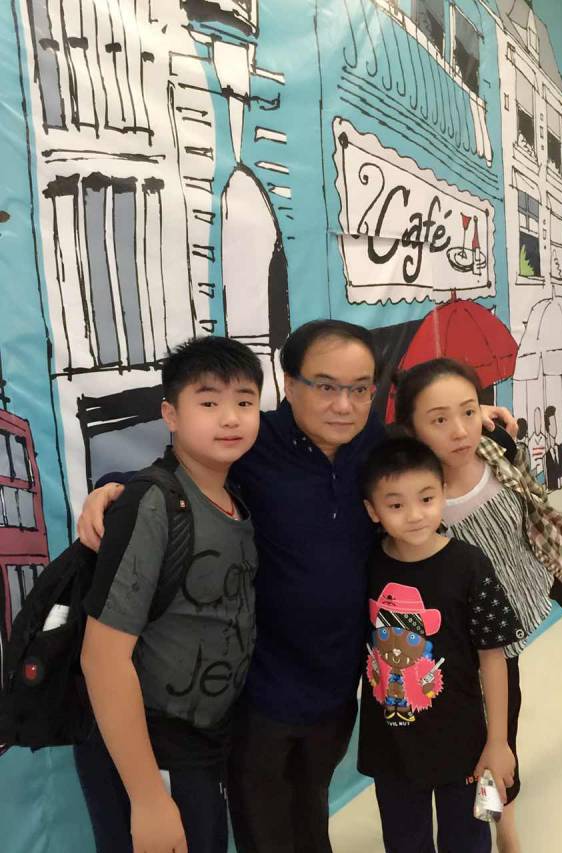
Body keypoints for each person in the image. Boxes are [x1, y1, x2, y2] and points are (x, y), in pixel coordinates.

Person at [76, 321, 519, 853]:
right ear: (289, 383)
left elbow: (439, 446)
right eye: (326, 386)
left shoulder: (375, 447)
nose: (344, 405)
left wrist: (482, 418)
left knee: (312, 822)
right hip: (260, 695)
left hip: (337, 691)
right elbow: (189, 470)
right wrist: (113, 489)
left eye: (360, 389)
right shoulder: (255, 442)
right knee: (266, 835)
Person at [394, 358, 562, 853]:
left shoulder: (493, 445)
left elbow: (522, 481)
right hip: (483, 633)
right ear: (410, 431)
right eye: (438, 420)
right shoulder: (416, 495)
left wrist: (481, 416)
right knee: (495, 732)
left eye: (467, 412)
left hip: (526, 567)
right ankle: (502, 817)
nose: (458, 431)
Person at [75, 336, 263, 853]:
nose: (230, 418)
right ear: (170, 414)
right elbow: (102, 659)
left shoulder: (235, 495)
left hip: (203, 744)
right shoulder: (154, 503)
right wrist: (147, 798)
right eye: (209, 402)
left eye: (245, 401)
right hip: (151, 749)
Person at [357, 436, 522, 853]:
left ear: (444, 492)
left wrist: (498, 741)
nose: (415, 515)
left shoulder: (469, 565)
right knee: (403, 842)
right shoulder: (367, 565)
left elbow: (494, 657)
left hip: (464, 744)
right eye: (396, 505)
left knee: (469, 838)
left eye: (427, 498)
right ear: (372, 510)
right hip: (391, 745)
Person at [543, 405, 562, 490]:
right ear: (547, 428)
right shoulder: (546, 456)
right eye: (552, 425)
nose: (555, 427)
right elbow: (548, 480)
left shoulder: (561, 450)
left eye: (555, 423)